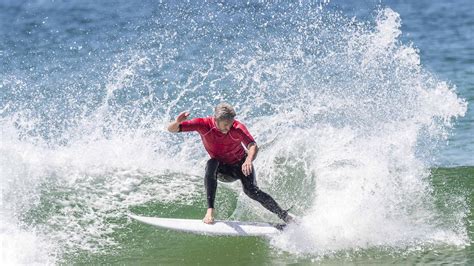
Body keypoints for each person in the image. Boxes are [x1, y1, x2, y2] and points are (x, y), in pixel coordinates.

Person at [167, 102, 294, 224]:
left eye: (231, 123)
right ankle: (210, 211)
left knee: (251, 191)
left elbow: (252, 145)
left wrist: (248, 160)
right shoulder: (203, 124)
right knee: (212, 163)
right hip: (223, 170)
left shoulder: (237, 128)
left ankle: (284, 216)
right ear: (215, 119)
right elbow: (172, 129)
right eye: (225, 124)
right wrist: (177, 122)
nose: (228, 128)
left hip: (241, 166)